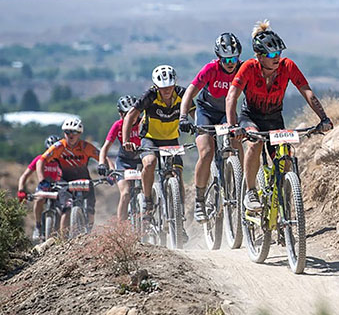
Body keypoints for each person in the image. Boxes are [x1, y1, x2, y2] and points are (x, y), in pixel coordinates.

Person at [225, 20, 333, 212]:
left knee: (284, 160)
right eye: (272, 54)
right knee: (255, 143)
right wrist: (233, 126)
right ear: (259, 56)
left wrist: (323, 118)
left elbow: (307, 92)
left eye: (279, 53)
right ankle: (250, 191)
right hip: (251, 117)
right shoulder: (249, 68)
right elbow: (231, 96)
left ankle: (283, 201)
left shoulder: (287, 66)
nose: (277, 58)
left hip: (274, 118)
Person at [121, 64, 190, 242]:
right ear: (156, 86)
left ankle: (179, 218)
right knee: (150, 163)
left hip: (171, 139)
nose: (167, 91)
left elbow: (195, 111)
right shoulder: (150, 96)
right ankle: (148, 200)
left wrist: (197, 128)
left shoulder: (182, 94)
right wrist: (126, 140)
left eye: (170, 87)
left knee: (178, 174)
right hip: (150, 138)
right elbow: (130, 116)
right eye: (163, 88)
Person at [179, 32, 243, 222]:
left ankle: (243, 186)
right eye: (226, 59)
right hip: (206, 112)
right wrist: (183, 116)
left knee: (237, 141)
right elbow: (190, 92)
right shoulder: (210, 69)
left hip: (226, 112)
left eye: (234, 58)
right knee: (206, 153)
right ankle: (199, 201)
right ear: (218, 57)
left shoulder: (241, 68)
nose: (231, 63)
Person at [37, 117, 102, 234]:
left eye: (74, 132)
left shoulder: (86, 147)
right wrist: (42, 180)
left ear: (79, 134)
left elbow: (103, 157)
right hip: (65, 182)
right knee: (66, 210)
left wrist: (109, 171)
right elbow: (41, 161)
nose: (70, 135)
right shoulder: (58, 147)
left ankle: (89, 233)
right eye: (67, 132)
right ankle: (63, 242)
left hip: (85, 180)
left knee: (90, 210)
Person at [98, 95, 141, 220]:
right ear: (121, 115)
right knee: (126, 193)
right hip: (124, 162)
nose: (131, 118)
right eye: (126, 114)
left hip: (140, 160)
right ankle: (121, 229)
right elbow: (105, 148)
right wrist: (101, 163)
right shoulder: (117, 125)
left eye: (133, 114)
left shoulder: (143, 122)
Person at [17, 134, 63, 241]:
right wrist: (20, 190)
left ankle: (62, 231)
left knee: (64, 207)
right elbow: (24, 175)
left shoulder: (61, 161)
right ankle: (38, 226)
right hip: (44, 187)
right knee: (39, 200)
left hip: (57, 187)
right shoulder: (39, 159)